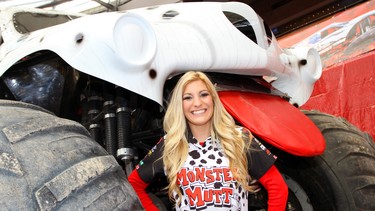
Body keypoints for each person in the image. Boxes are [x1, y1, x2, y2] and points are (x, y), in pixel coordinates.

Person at [128, 71, 288, 210]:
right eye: (188, 97)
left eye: (204, 94)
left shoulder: (239, 138)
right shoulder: (171, 144)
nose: (197, 103)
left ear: (213, 99)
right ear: (180, 105)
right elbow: (133, 184)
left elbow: (278, 187)